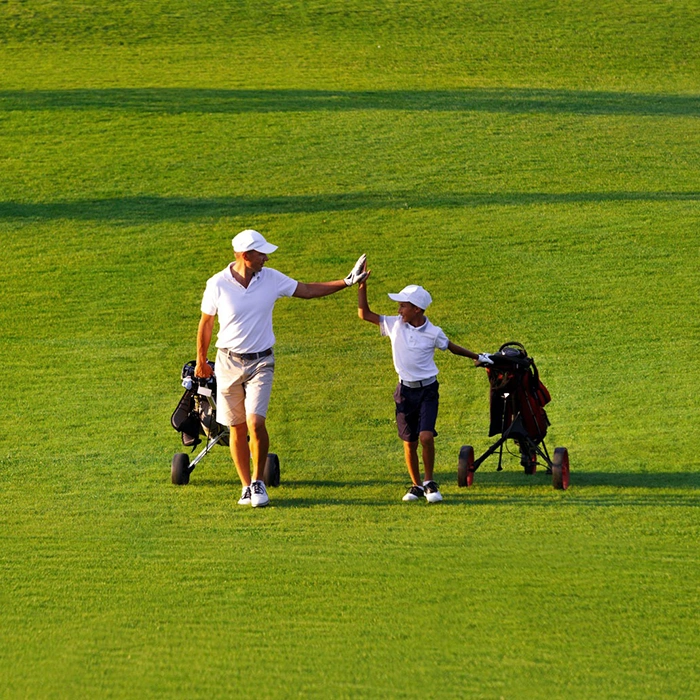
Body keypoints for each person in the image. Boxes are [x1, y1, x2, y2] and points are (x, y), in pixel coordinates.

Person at [196, 229, 367, 508]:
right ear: (245, 255)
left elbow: (307, 290)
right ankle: (245, 487)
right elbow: (206, 323)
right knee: (236, 428)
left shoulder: (271, 278)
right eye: (261, 253)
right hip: (228, 362)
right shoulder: (217, 284)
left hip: (261, 361)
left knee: (255, 422)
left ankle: (258, 482)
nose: (266, 258)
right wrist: (201, 360)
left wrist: (346, 282)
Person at [357, 267, 493, 502]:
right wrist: (362, 285)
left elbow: (451, 347)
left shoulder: (433, 332)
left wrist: (477, 357)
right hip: (404, 391)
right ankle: (416, 486)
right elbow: (364, 314)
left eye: (403, 306)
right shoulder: (394, 324)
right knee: (409, 443)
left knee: (426, 437)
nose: (398, 310)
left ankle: (429, 482)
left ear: (417, 309)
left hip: (428, 390)